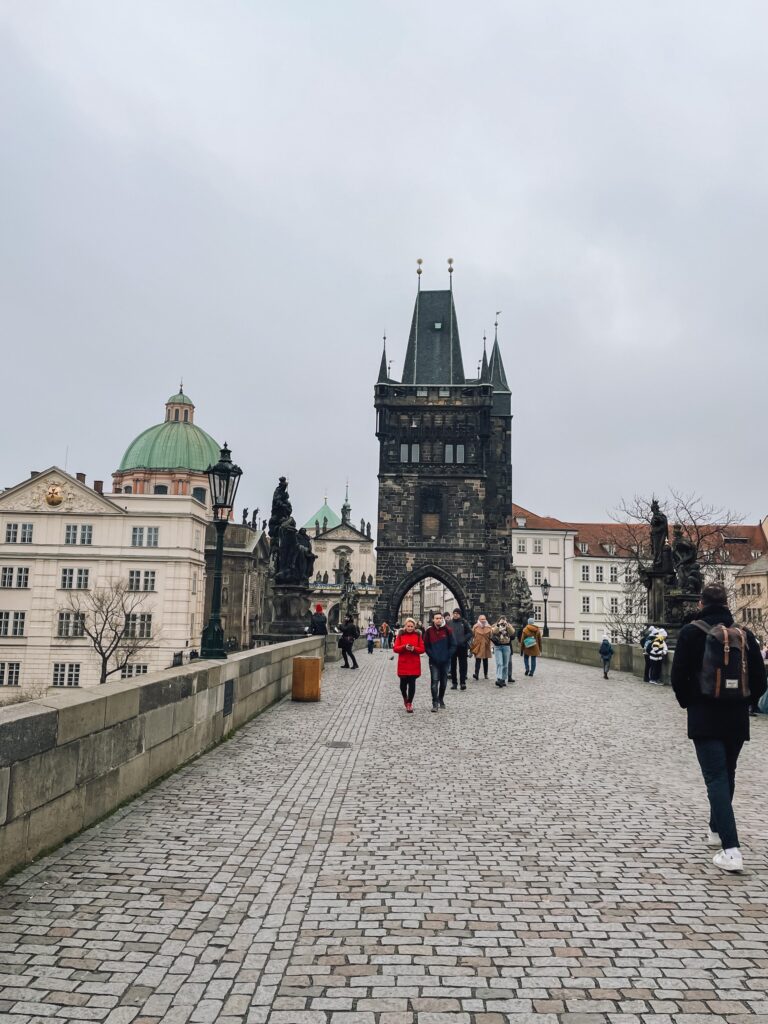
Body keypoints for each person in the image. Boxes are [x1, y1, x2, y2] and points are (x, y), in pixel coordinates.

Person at [671, 582, 766, 873]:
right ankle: (715, 830)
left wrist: (691, 703)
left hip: (705, 717)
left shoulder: (690, 633)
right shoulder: (744, 634)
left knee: (715, 778)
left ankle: (731, 849)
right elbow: (761, 681)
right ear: (727, 603)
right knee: (727, 773)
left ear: (701, 603)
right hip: (735, 718)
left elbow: (678, 677)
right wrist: (743, 703)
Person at [423, 612, 456, 711]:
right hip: (434, 661)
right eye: (436, 618)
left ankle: (440, 698)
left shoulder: (448, 630)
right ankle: (435, 703)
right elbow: (426, 646)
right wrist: (432, 655)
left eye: (440, 618)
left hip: (445, 660)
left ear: (442, 619)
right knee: (434, 681)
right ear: (433, 620)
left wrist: (447, 655)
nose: (438, 620)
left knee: (444, 682)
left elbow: (453, 645)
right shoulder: (429, 631)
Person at [393, 617, 425, 713]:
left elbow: (422, 649)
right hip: (403, 663)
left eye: (412, 626)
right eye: (408, 626)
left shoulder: (418, 635)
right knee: (403, 686)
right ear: (405, 626)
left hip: (414, 664)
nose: (410, 628)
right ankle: (405, 699)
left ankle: (409, 703)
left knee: (412, 685)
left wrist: (413, 649)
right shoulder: (400, 635)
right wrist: (404, 647)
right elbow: (395, 648)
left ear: (414, 627)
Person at [448, 608, 472, 690]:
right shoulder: (449, 623)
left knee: (463, 665)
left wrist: (464, 639)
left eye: (457, 613)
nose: (455, 614)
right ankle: (454, 683)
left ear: (460, 614)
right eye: (454, 613)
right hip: (453, 647)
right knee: (453, 666)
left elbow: (470, 633)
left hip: (462, 647)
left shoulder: (464, 622)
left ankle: (462, 683)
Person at [491, 616, 514, 688]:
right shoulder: (495, 625)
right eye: (502, 620)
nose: (503, 621)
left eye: (504, 620)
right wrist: (499, 625)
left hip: (506, 646)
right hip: (498, 647)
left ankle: (503, 679)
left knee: (505, 665)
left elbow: (512, 633)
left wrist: (507, 626)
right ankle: (499, 678)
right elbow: (494, 631)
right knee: (499, 663)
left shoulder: (508, 625)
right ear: (499, 620)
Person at [470, 614, 493, 679]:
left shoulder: (489, 627)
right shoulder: (475, 626)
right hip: (478, 646)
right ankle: (476, 674)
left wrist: (491, 646)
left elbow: (491, 637)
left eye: (484, 619)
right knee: (477, 660)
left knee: (485, 661)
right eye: (481, 619)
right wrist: (471, 646)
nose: (483, 620)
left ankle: (486, 674)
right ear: (479, 620)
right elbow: (472, 636)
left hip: (486, 645)